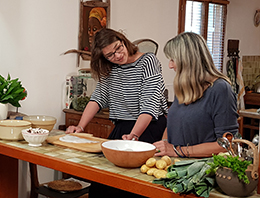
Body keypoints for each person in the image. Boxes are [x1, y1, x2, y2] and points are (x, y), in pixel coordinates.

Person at [66, 28, 168, 143]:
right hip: (122, 128)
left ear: (123, 41)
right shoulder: (109, 66)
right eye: (110, 55)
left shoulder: (148, 61)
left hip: (148, 127)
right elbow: (98, 98)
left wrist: (134, 135)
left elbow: (149, 104)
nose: (118, 55)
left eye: (118, 48)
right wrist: (80, 127)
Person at [154, 32, 239, 158]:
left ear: (188, 60)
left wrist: (177, 151)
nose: (170, 65)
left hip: (202, 169)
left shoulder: (220, 89)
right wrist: (164, 146)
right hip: (176, 165)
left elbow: (227, 145)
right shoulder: (184, 86)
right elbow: (172, 124)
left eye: (173, 60)